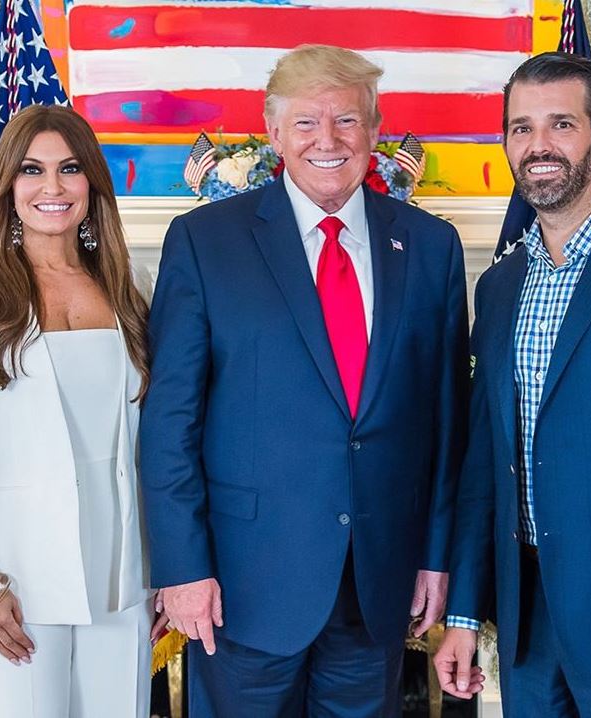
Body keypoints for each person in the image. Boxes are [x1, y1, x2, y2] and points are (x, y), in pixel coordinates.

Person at [140, 44, 469, 716]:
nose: (328, 140)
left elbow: (445, 422)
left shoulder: (431, 247)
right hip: (239, 588)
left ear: (373, 133)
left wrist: (436, 558)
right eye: (306, 124)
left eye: (347, 122)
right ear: (273, 134)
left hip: (378, 584)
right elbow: (170, 422)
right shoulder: (206, 242)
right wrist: (181, 567)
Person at [435, 51, 591, 717]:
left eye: (560, 125)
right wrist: (463, 613)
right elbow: (484, 463)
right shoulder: (500, 286)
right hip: (525, 620)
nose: (537, 146)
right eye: (519, 128)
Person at [0, 105, 155, 718]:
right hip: (13, 578)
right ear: (7, 186)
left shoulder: (134, 288)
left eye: (70, 168)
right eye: (32, 170)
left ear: (92, 182)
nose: (52, 187)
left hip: (123, 578)